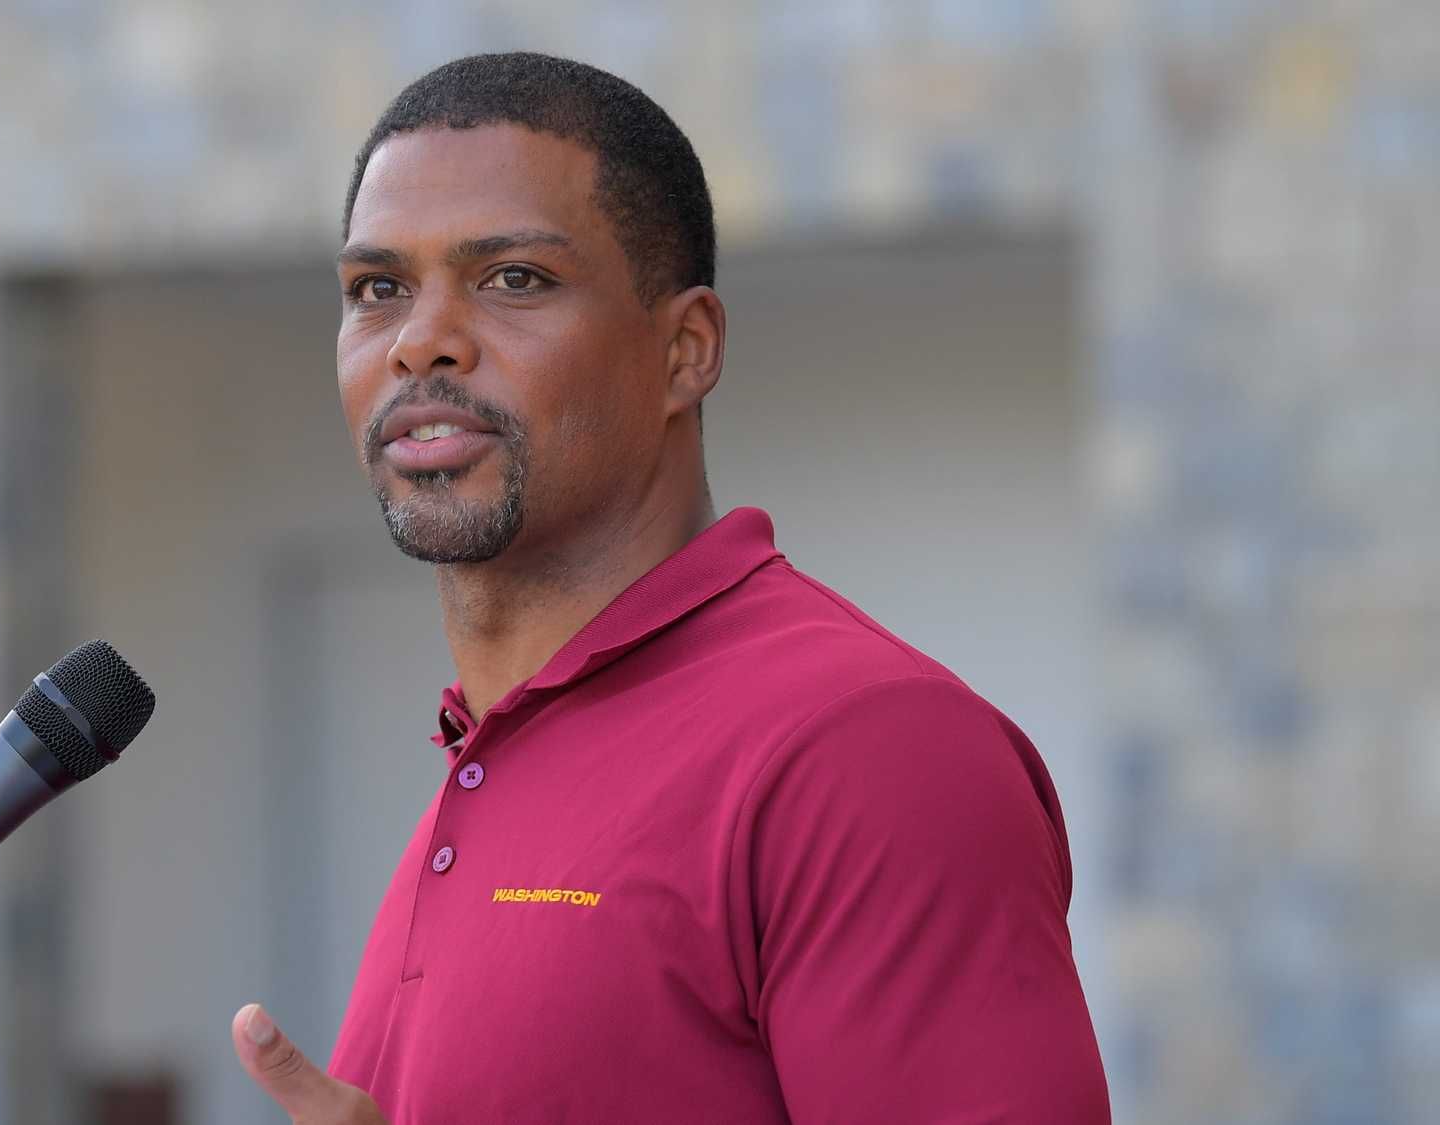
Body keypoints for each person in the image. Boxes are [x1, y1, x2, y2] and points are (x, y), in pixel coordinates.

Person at [228, 51, 1111, 1123]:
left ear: (685, 350)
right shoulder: (488, 756)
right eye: (378, 289)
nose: (421, 343)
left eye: (513, 279)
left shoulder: (864, 750)